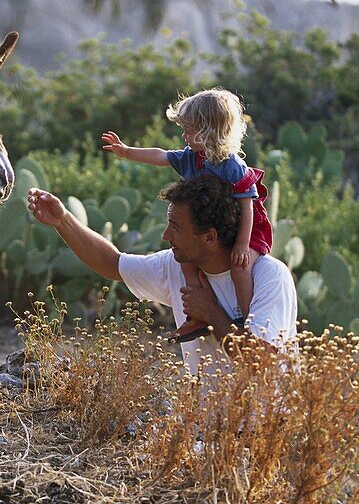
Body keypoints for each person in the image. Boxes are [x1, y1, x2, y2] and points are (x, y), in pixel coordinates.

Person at [26, 177, 297, 377]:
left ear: (210, 237)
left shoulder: (270, 276)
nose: (166, 236)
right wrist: (62, 221)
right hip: (209, 432)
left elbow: (263, 363)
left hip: (269, 437)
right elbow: (112, 263)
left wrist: (213, 314)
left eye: (176, 228)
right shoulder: (176, 265)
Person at [101, 88, 271, 342]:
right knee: (186, 262)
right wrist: (127, 151)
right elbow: (160, 155)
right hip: (211, 233)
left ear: (209, 132)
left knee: (239, 268)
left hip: (244, 230)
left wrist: (241, 245)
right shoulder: (193, 158)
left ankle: (246, 322)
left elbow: (248, 208)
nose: (184, 136)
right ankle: (198, 315)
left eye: (189, 131)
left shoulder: (232, 167)